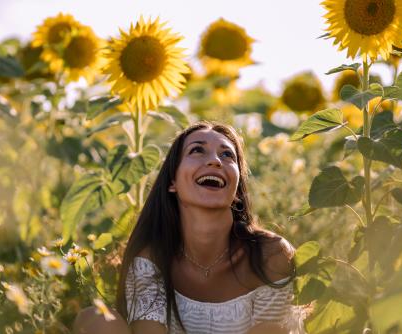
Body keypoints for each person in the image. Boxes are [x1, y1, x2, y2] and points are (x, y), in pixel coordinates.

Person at [73, 121, 305, 334]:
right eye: (197, 150)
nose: (215, 160)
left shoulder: (270, 254)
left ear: (236, 190)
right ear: (172, 182)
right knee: (96, 319)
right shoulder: (151, 261)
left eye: (227, 155)